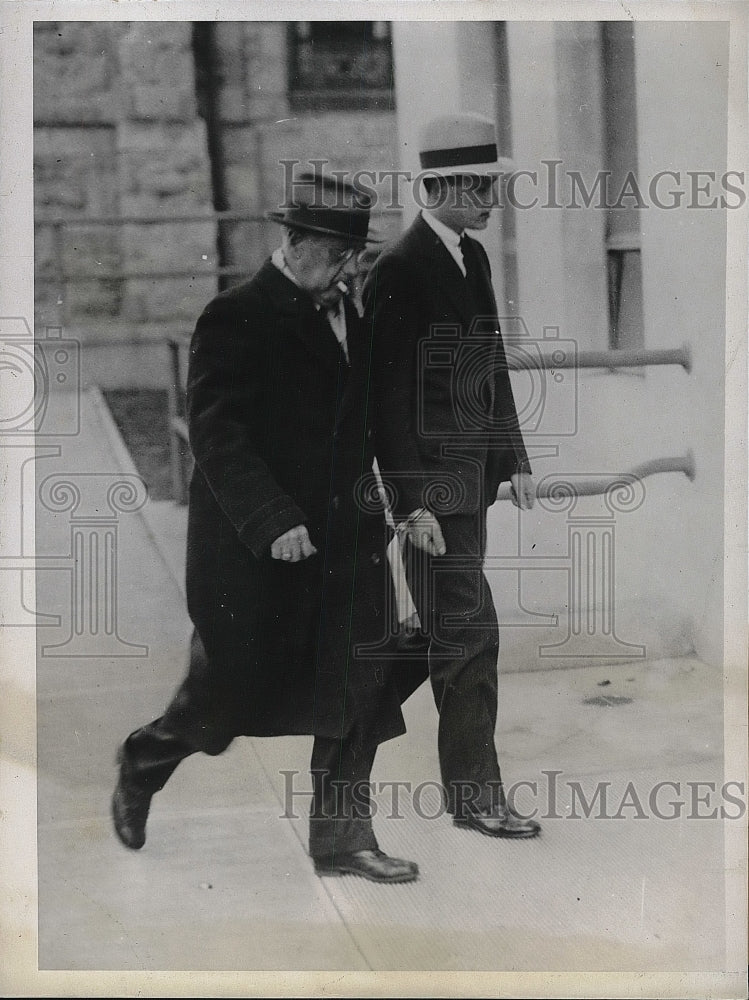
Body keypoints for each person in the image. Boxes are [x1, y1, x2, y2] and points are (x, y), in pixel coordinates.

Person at [111, 171, 423, 884]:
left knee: (360, 685)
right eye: (338, 254)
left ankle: (342, 841)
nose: (351, 269)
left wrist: (411, 505)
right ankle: (145, 759)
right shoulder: (236, 315)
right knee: (226, 698)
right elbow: (218, 436)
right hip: (260, 551)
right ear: (294, 242)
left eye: (355, 255)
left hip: (349, 543)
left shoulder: (352, 315)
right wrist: (274, 519)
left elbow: (379, 420)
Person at [363, 112, 541, 839]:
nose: (489, 199)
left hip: (471, 487)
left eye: (491, 184)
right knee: (469, 637)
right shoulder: (398, 270)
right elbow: (383, 401)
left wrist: (517, 459)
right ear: (435, 184)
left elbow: (488, 364)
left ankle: (344, 711)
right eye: (477, 185)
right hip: (431, 498)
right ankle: (475, 798)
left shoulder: (471, 258)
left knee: (440, 635)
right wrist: (409, 506)